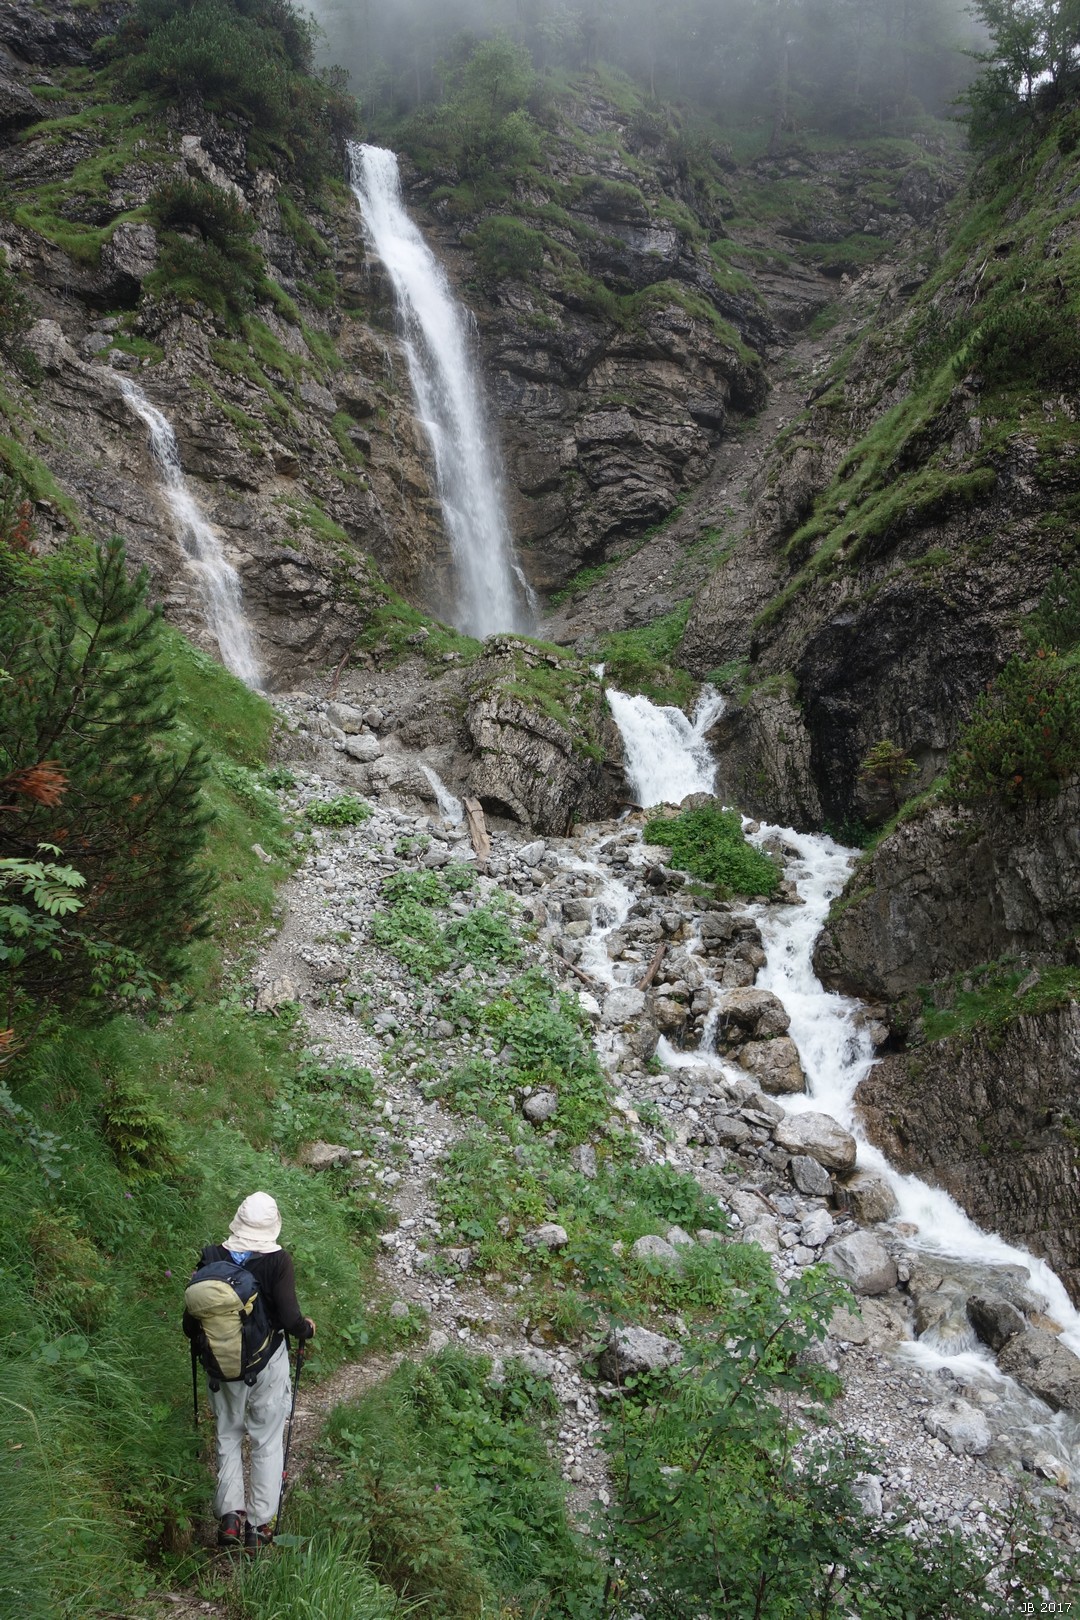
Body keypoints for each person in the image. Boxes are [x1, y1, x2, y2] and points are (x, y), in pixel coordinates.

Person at [183, 1191, 316, 1551]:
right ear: (272, 1227)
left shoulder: (213, 1257)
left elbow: (189, 1323)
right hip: (266, 1364)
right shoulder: (278, 1261)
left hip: (221, 1366)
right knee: (266, 1439)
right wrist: (306, 1329)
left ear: (238, 1221)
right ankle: (258, 1527)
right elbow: (289, 1318)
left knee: (227, 1433)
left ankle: (230, 1518)